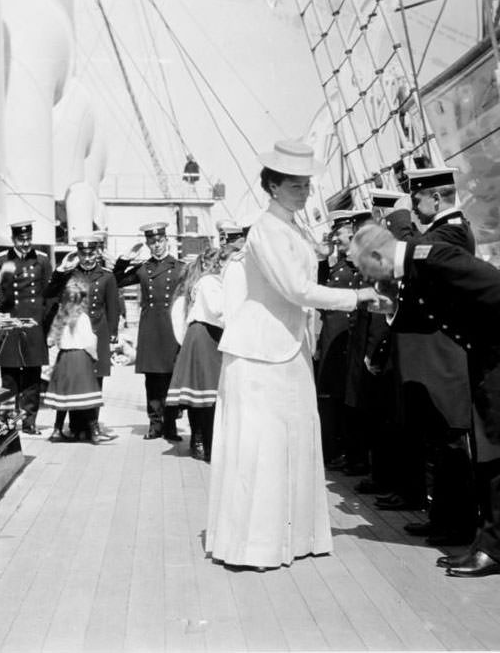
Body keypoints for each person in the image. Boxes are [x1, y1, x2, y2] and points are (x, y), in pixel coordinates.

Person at [205, 139, 389, 570]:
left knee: (294, 441)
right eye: (293, 185)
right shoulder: (265, 230)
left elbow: (306, 272)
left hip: (289, 350)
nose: (303, 191)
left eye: (306, 184)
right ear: (271, 186)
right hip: (258, 354)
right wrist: (360, 295)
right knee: (261, 446)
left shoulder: (293, 227)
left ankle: (291, 537)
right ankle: (252, 545)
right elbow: (295, 289)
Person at [349, 222, 500, 577]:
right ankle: (490, 543)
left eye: (362, 267)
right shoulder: (414, 268)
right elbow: (422, 316)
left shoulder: (432, 256)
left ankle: (495, 550)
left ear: (376, 255)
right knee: (491, 453)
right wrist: (386, 307)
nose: (363, 274)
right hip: (487, 357)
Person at [377, 168, 479, 546]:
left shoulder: (452, 232)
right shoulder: (442, 230)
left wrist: (398, 218)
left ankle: (458, 526)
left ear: (435, 199)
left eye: (416, 199)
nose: (414, 207)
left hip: (445, 354)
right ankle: (443, 519)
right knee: (440, 441)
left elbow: (414, 255)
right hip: (434, 355)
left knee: (452, 442)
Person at [113, 222, 186, 441]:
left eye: (160, 241)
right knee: (153, 379)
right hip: (151, 330)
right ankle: (155, 424)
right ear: (148, 244)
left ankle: (171, 424)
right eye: (152, 242)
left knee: (172, 379)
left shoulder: (181, 267)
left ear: (167, 241)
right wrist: (124, 259)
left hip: (172, 328)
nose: (157, 246)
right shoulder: (144, 269)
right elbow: (117, 280)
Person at [45, 234, 120, 440]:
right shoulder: (70, 274)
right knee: (74, 378)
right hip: (75, 334)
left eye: (91, 253)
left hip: (98, 331)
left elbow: (113, 306)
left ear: (97, 252)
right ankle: (77, 427)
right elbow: (50, 292)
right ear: (78, 254)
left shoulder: (106, 276)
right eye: (83, 254)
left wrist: (113, 333)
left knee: (95, 379)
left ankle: (91, 426)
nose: (87, 258)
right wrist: (61, 270)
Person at [167, 247, 230, 461]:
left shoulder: (204, 282)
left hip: (203, 335)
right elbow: (217, 311)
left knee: (201, 394)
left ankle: (199, 439)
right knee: (207, 395)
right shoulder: (210, 282)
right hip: (206, 335)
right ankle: (206, 443)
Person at [315, 209, 366, 468]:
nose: (337, 238)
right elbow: (320, 294)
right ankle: (332, 450)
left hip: (347, 340)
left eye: (341, 232)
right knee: (330, 398)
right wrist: (323, 261)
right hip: (333, 339)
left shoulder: (356, 266)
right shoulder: (339, 267)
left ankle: (346, 452)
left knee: (346, 401)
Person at [0, 221, 52, 436]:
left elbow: (49, 295)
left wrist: (44, 323)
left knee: (31, 376)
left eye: (29, 238)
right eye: (21, 239)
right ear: (13, 240)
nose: (26, 243)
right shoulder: (1, 260)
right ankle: (7, 421)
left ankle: (29, 422)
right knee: (9, 376)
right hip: (10, 326)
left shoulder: (42, 261)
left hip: (33, 326)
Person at [42, 276, 104, 444]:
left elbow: (50, 341)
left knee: (64, 398)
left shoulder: (60, 317)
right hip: (80, 358)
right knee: (87, 397)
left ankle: (57, 429)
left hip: (64, 359)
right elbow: (89, 341)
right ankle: (94, 430)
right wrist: (95, 356)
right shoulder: (82, 318)